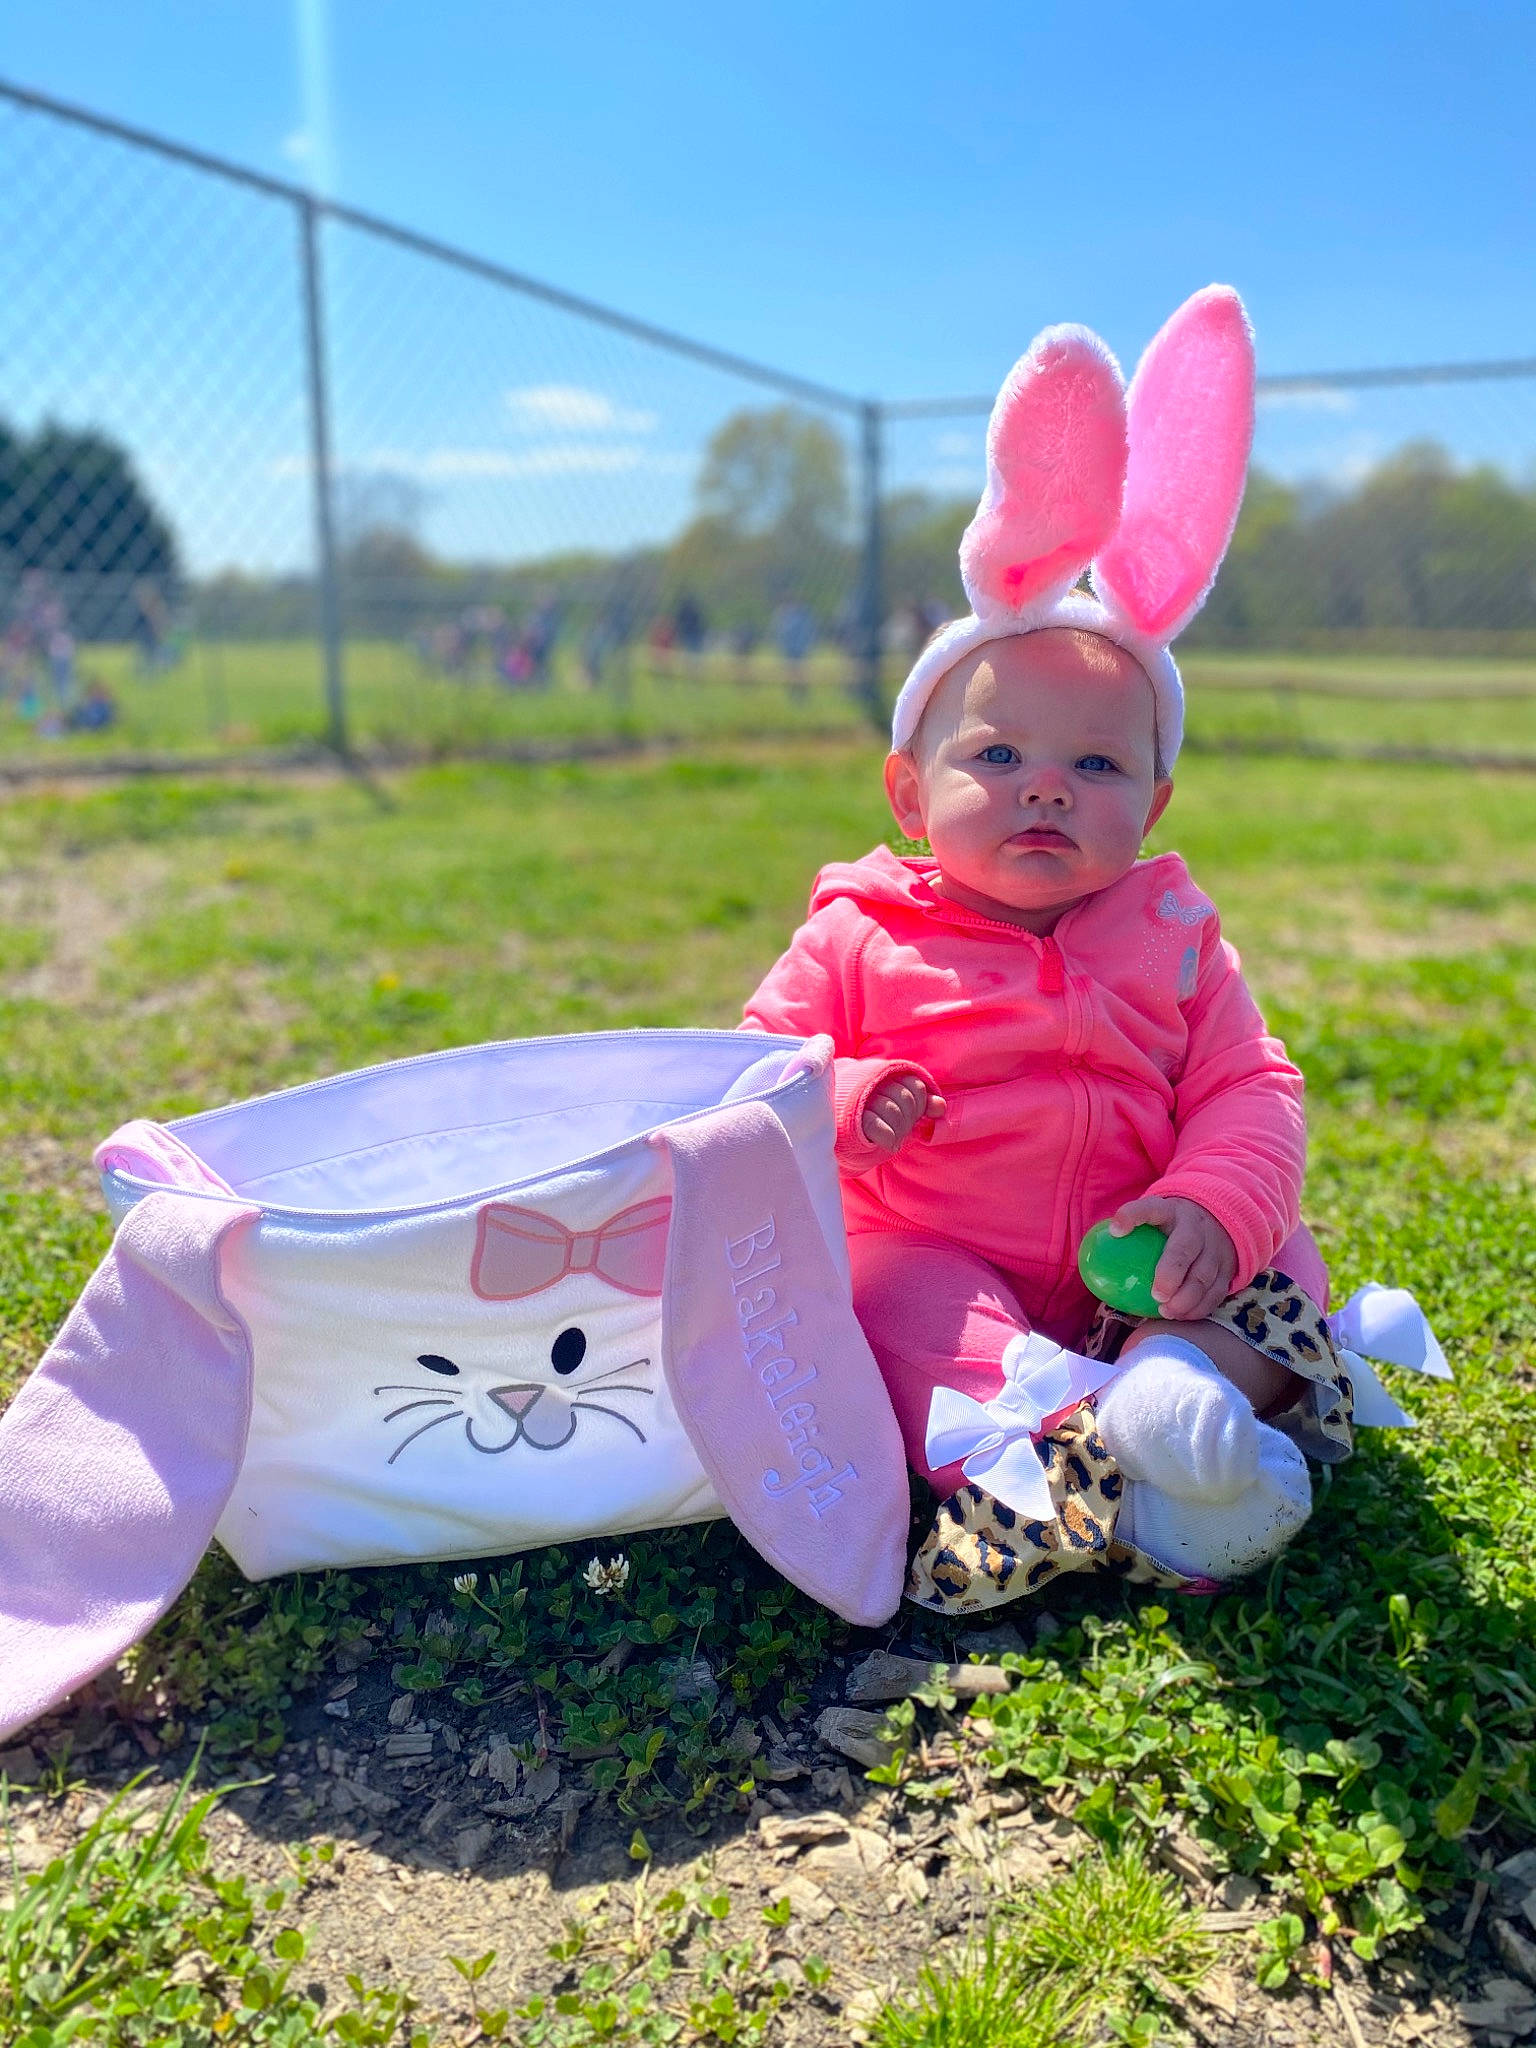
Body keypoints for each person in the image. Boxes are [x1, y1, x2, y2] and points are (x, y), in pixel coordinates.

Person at [743, 287, 1352, 1615]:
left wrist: (1215, 1207)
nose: (1047, 790)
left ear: (1153, 805)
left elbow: (1255, 1091)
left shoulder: (1178, 939)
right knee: (875, 1293)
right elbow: (738, 1077)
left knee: (1283, 1253)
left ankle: (1180, 1391)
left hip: (1148, 1257)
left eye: (1095, 764)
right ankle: (1045, 1427)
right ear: (910, 796)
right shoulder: (856, 932)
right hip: (946, 1257)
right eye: (1000, 756)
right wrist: (839, 1103)